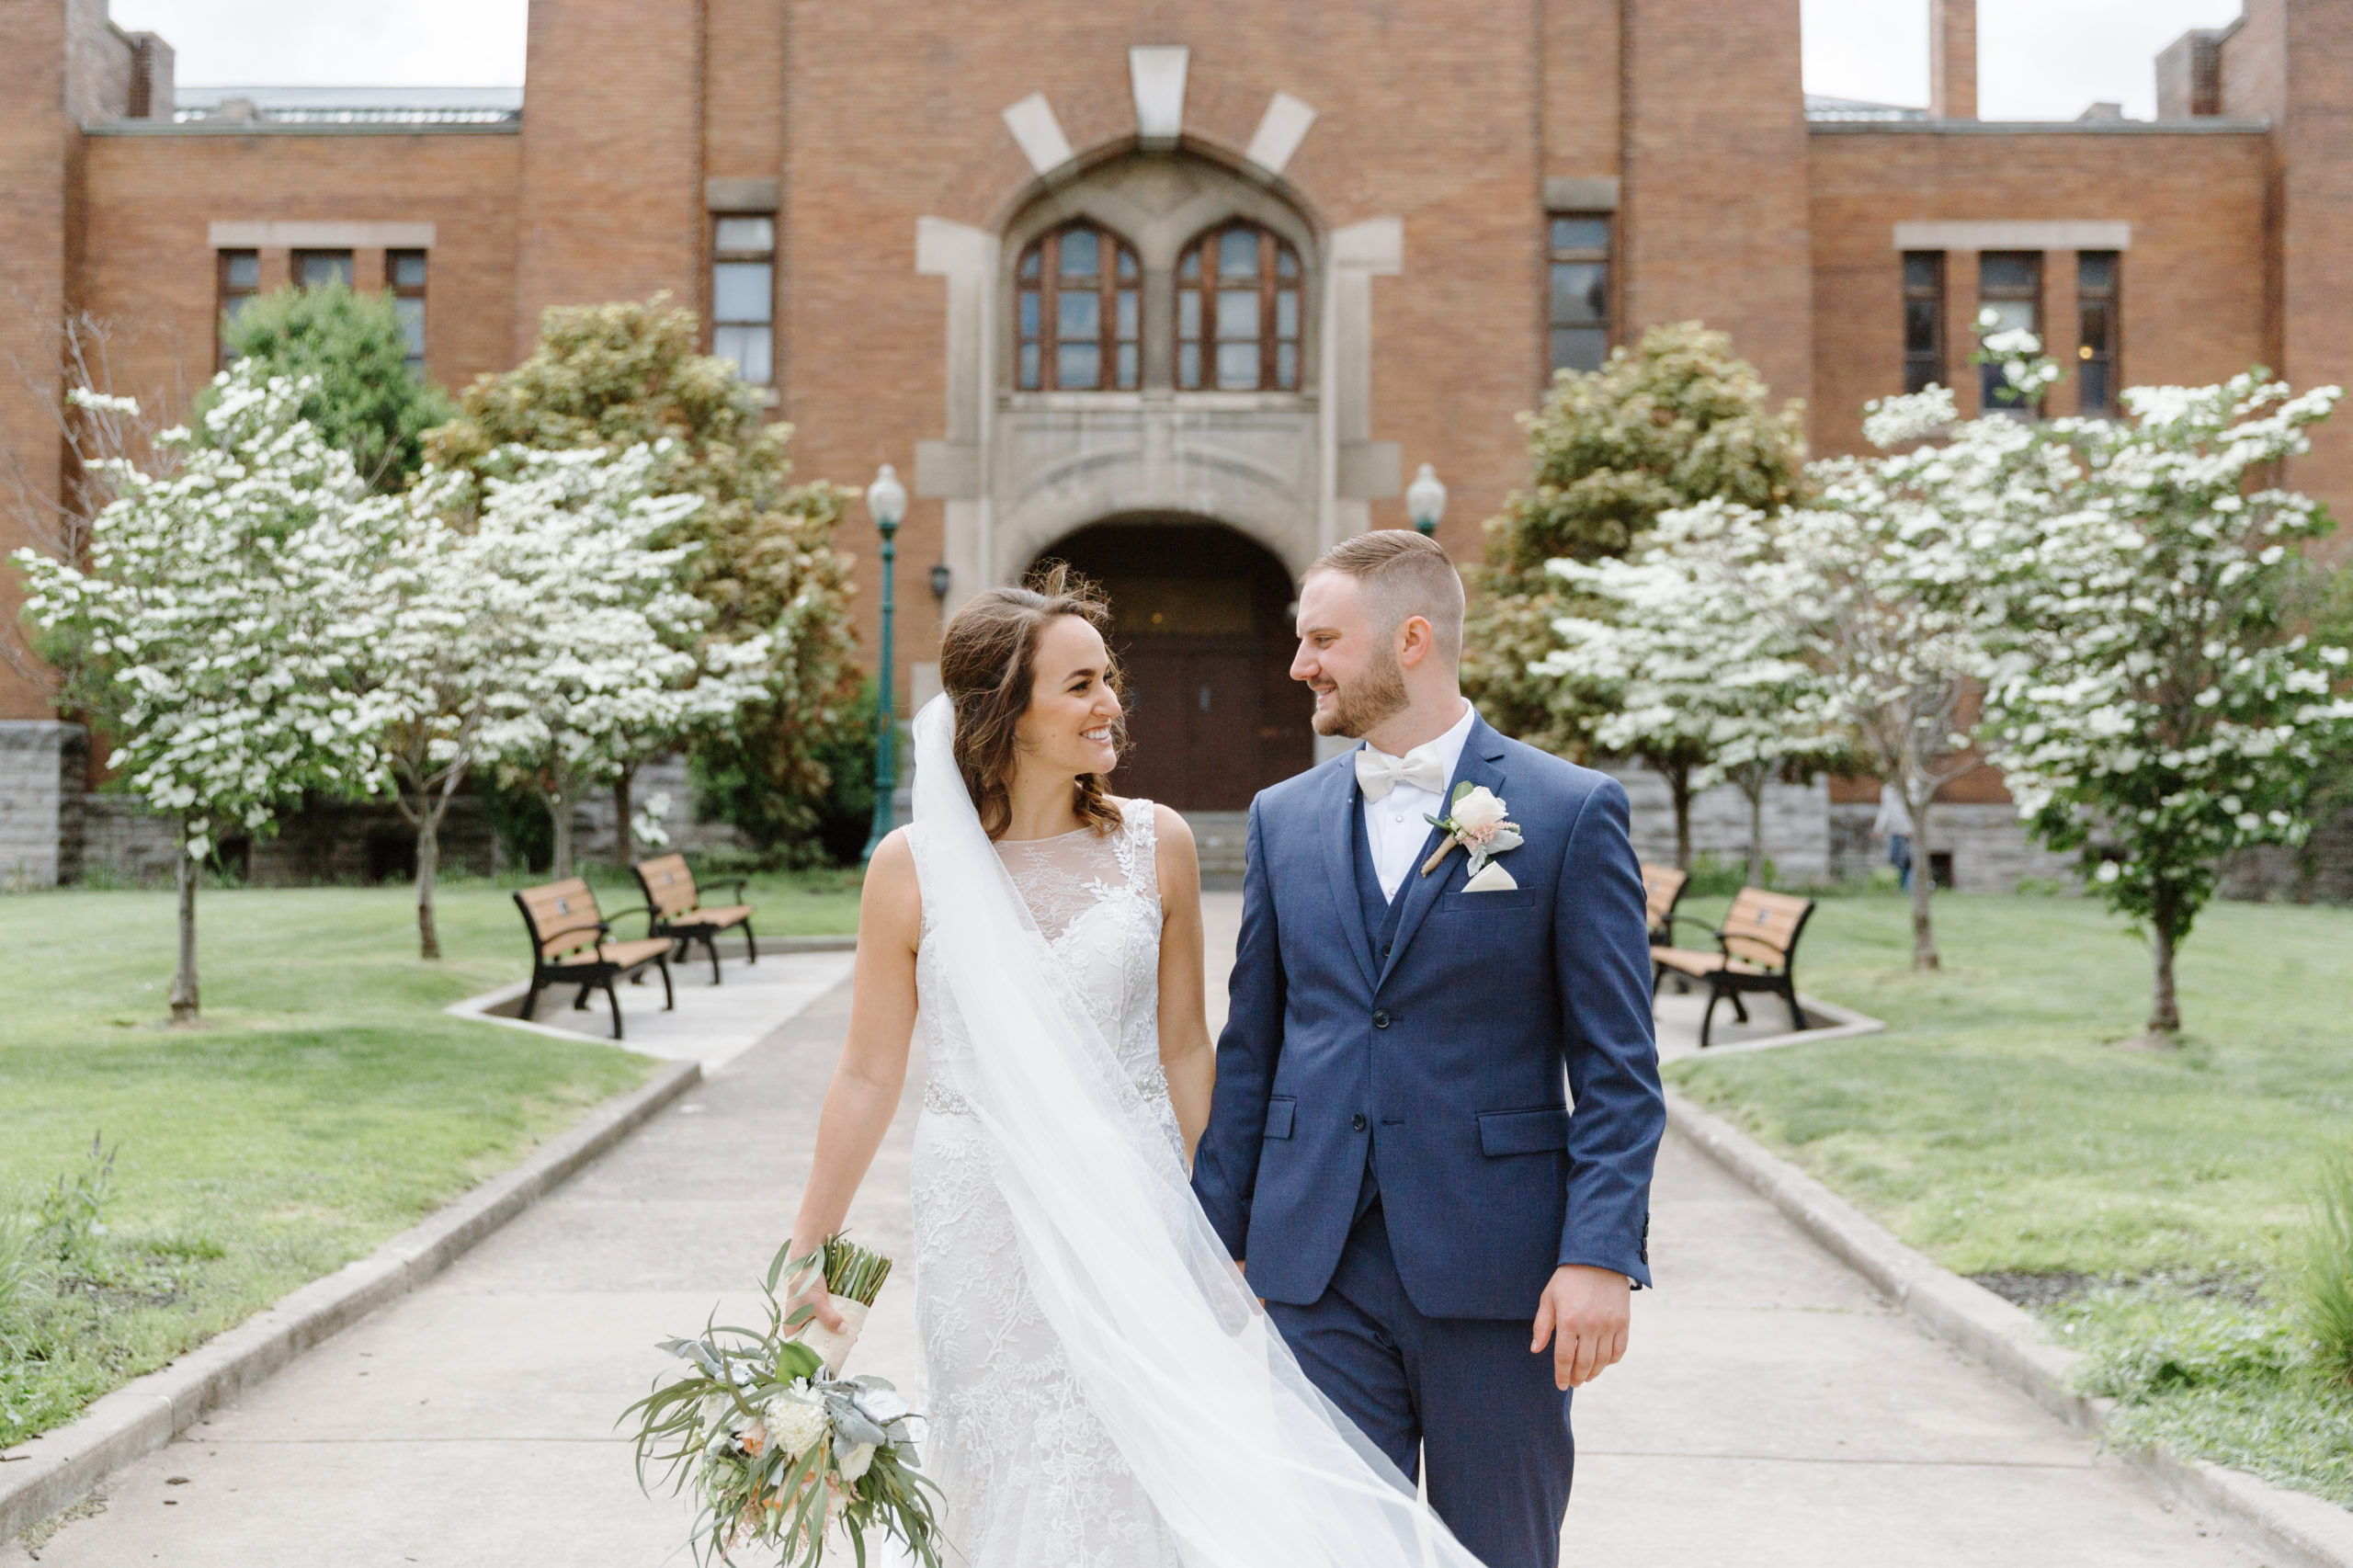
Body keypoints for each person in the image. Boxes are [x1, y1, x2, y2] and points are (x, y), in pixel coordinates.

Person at [785, 566, 1496, 1568]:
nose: (1111, 701)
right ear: (1004, 711)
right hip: (982, 1214)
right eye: (1079, 684)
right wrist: (810, 1238)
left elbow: (1184, 1047)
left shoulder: (1152, 845)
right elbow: (867, 1071)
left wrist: (1229, 1226)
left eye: (1107, 676)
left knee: (1149, 1457)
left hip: (1136, 1200)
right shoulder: (909, 867)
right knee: (1002, 1455)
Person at [1192, 529, 1665, 1568]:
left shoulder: (1565, 809)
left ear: (1410, 639)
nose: (1297, 664)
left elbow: (1620, 1071)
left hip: (1500, 1272)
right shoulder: (1283, 818)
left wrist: (1597, 1253)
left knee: (1497, 1548)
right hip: (1314, 1261)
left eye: (1321, 638)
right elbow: (1255, 1043)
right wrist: (1215, 1236)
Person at [1874, 779, 1914, 890]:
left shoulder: (1910, 785)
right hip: (1894, 831)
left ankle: (1907, 887)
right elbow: (1885, 810)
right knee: (1895, 859)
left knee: (1906, 860)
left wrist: (1908, 828)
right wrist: (1878, 828)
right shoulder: (1887, 788)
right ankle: (1900, 887)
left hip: (1906, 832)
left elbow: (1913, 809)